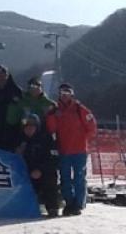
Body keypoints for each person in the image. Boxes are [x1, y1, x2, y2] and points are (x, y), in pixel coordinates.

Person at [45, 83, 97, 216]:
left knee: (79, 177)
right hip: (64, 150)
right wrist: (51, 115)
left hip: (79, 150)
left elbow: (92, 127)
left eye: (67, 92)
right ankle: (69, 202)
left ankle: (78, 204)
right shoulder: (56, 110)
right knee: (65, 178)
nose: (65, 95)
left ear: (72, 94)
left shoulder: (80, 109)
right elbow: (51, 129)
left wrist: (82, 138)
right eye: (62, 93)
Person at [16, 114, 60, 218]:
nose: (29, 129)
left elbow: (53, 159)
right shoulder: (20, 139)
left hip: (44, 171)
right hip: (26, 173)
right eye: (27, 127)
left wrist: (40, 170)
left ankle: (52, 207)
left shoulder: (47, 138)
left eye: (32, 127)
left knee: (50, 180)